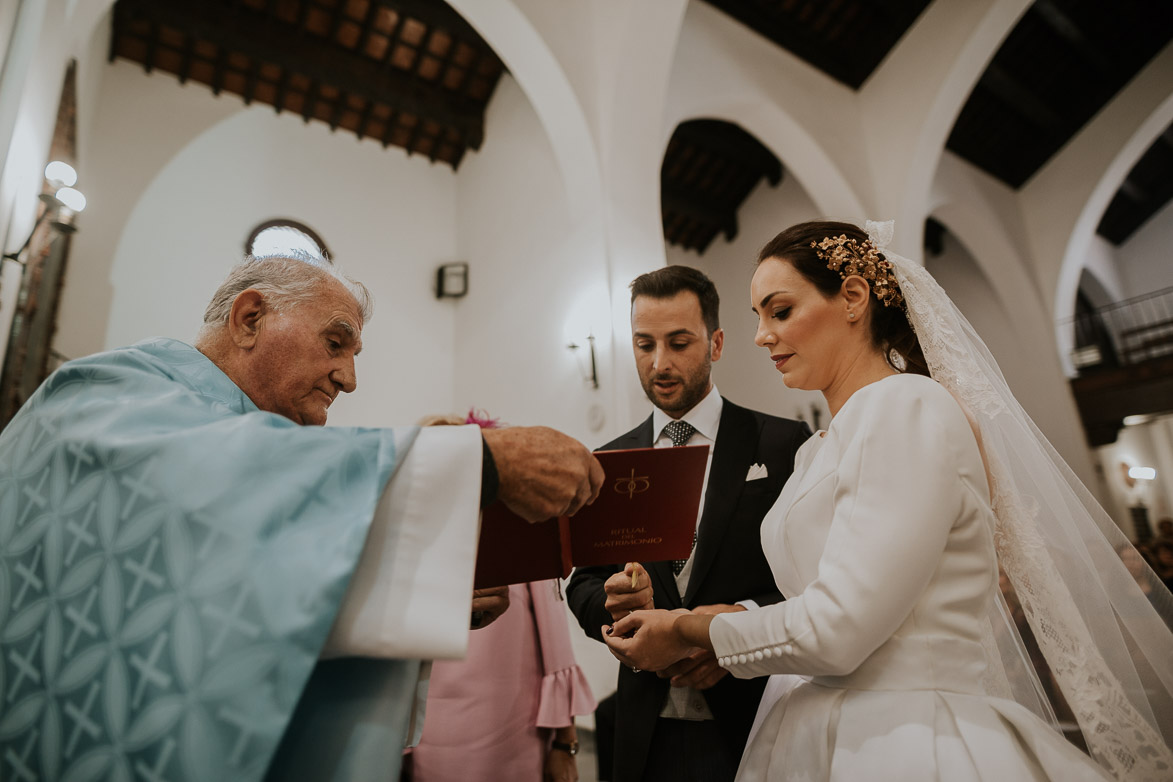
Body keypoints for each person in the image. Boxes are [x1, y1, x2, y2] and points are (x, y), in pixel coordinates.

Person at [0, 252, 604, 782]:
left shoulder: (229, 435)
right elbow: (198, 492)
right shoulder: (103, 390)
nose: (350, 377)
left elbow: (215, 592)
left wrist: (409, 589)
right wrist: (481, 460)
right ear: (250, 318)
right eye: (335, 342)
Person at [603, 221, 1173, 780]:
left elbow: (841, 628)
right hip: (817, 721)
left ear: (852, 296)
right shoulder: (817, 451)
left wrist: (687, 630)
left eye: (780, 311)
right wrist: (730, 615)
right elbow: (821, 590)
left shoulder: (907, 407)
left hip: (908, 732)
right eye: (758, 318)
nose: (762, 336)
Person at [566, 266, 810, 782]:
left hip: (752, 715)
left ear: (716, 343)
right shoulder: (610, 460)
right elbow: (583, 581)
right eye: (643, 344)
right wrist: (613, 612)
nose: (660, 363)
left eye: (679, 343)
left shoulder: (782, 444)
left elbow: (812, 581)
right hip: (642, 727)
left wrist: (733, 637)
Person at [404, 412, 597, 782]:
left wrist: (564, 744)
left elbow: (556, 650)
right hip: (431, 735)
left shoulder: (515, 531)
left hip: (511, 731)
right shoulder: (413, 545)